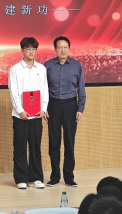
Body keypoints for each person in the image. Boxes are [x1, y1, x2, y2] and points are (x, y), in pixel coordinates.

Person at [44, 36, 86, 187]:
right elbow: (43, 88)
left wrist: (80, 108)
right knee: (54, 143)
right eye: (59, 47)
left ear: (69, 49)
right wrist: (44, 108)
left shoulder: (76, 65)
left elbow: (81, 88)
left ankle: (69, 177)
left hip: (70, 106)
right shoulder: (48, 65)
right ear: (55, 49)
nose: (62, 50)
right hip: (53, 106)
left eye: (65, 47)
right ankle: (55, 176)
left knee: (69, 143)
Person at [8, 37, 49, 189]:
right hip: (21, 116)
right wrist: (20, 110)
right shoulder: (15, 69)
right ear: (22, 50)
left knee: (35, 147)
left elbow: (45, 90)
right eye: (28, 49)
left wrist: (43, 109)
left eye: (33, 49)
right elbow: (13, 92)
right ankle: (21, 179)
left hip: (37, 115)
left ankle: (36, 177)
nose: (31, 52)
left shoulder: (41, 69)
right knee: (20, 147)